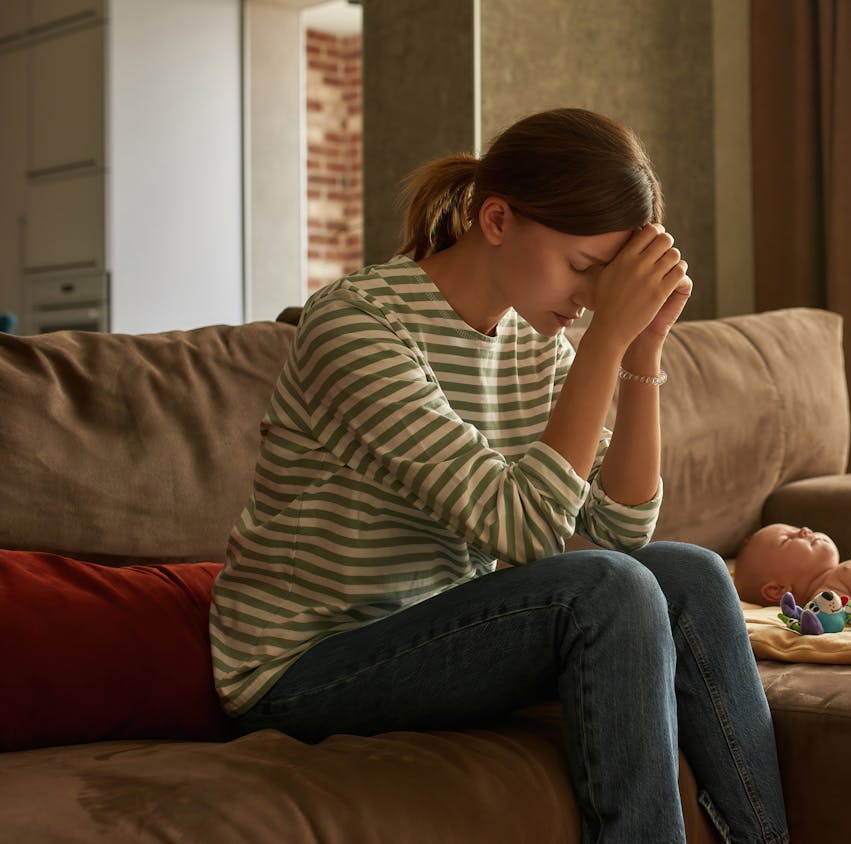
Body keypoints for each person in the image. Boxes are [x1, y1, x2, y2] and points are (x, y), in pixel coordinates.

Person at [209, 108, 788, 844]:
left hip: (442, 633)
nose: (587, 300)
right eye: (583, 268)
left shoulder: (530, 342)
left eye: (604, 280)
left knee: (695, 574)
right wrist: (603, 340)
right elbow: (524, 529)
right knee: (610, 589)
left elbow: (621, 525)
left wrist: (641, 350)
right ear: (497, 219)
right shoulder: (355, 327)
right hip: (304, 667)